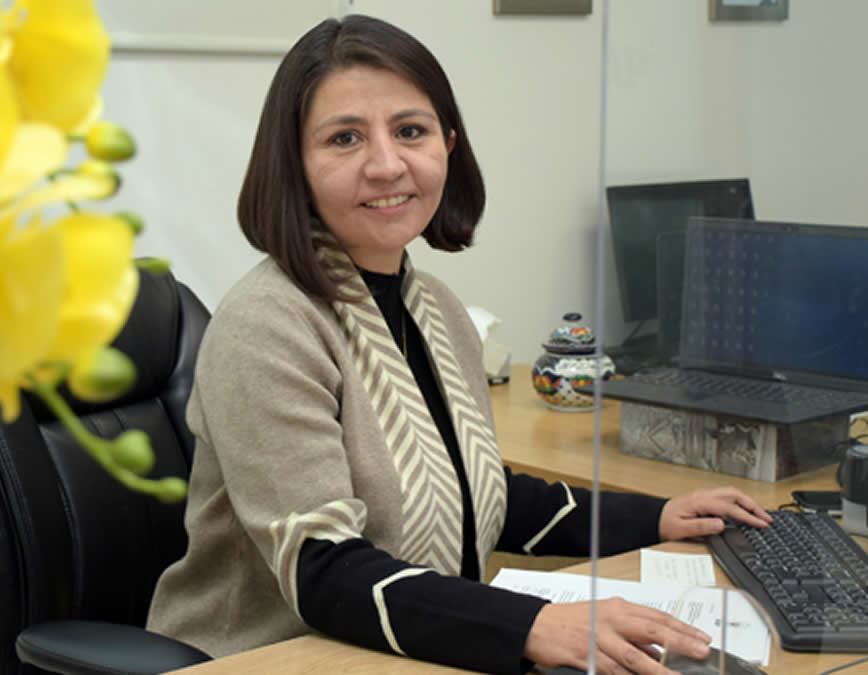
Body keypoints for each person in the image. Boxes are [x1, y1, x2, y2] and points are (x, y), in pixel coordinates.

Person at [145, 14, 773, 675]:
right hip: (266, 655)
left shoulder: (436, 306)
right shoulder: (267, 324)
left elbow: (483, 501)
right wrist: (532, 625)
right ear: (294, 165)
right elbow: (324, 570)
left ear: (448, 144)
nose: (387, 164)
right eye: (344, 138)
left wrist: (660, 516)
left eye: (410, 131)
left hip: (400, 644)